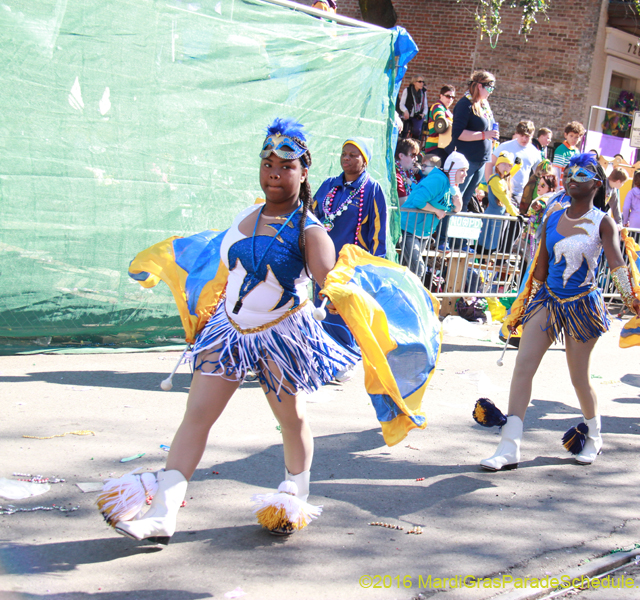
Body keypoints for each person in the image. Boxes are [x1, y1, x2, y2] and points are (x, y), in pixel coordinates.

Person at [102, 118, 359, 543]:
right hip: (229, 334)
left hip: (282, 337)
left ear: (304, 171)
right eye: (268, 163)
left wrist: (340, 289)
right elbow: (220, 269)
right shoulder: (245, 215)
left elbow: (327, 278)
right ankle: (164, 514)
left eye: (286, 165)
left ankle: (295, 494)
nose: (274, 172)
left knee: (291, 421)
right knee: (197, 415)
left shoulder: (311, 231)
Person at [475, 154, 640, 469]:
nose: (571, 178)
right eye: (568, 172)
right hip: (547, 300)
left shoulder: (602, 221)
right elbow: (540, 266)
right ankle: (509, 447)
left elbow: (616, 263)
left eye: (581, 173)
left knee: (579, 378)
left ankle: (594, 436)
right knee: (522, 366)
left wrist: (630, 295)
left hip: (582, 304)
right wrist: (524, 305)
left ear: (597, 183)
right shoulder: (552, 216)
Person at [313, 137, 388, 369]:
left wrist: (374, 267)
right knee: (322, 310)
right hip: (323, 261)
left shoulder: (372, 190)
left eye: (353, 155)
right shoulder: (329, 185)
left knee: (343, 312)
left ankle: (344, 360)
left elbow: (377, 232)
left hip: (351, 265)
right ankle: (323, 359)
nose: (346, 158)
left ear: (364, 161)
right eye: (344, 153)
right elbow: (313, 216)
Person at [398, 151, 465, 278]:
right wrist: (436, 210)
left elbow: (455, 209)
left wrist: (458, 199)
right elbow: (419, 201)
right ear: (453, 169)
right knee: (418, 270)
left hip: (423, 233)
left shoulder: (451, 186)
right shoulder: (438, 179)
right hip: (408, 228)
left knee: (408, 270)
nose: (465, 174)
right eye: (462, 170)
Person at [450, 70, 499, 206]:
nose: (491, 91)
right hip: (467, 159)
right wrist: (485, 135)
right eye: (489, 88)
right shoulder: (465, 104)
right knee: (456, 198)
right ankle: (445, 227)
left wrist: (492, 135)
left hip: (481, 160)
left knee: (466, 200)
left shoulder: (484, 105)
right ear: (479, 86)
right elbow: (458, 133)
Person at [475, 151, 521, 253]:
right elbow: (505, 199)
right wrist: (515, 214)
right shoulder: (496, 180)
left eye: (509, 165)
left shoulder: (502, 179)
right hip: (492, 217)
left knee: (492, 245)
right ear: (497, 165)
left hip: (498, 217)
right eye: (503, 164)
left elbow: (510, 173)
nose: (506, 167)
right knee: (485, 245)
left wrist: (518, 165)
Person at [490, 120, 542, 206]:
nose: (524, 139)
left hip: (521, 194)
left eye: (527, 137)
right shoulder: (506, 146)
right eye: (522, 136)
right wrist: (489, 182)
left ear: (532, 136)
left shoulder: (534, 152)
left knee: (515, 217)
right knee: (502, 217)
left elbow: (539, 173)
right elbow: (490, 163)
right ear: (517, 133)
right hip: (502, 190)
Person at [424, 85, 455, 151]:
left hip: (444, 146)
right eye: (448, 96)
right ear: (441, 95)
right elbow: (441, 119)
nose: (450, 99)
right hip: (435, 146)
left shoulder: (446, 109)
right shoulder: (438, 106)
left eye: (452, 97)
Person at [397, 75, 428, 140]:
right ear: (414, 82)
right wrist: (405, 111)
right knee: (404, 131)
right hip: (408, 115)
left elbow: (425, 106)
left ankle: (415, 143)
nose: (422, 83)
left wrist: (423, 114)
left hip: (418, 116)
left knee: (417, 130)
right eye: (419, 81)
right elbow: (401, 104)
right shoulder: (407, 90)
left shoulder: (423, 93)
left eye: (423, 82)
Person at [395, 138, 421, 206]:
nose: (416, 159)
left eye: (417, 155)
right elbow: (404, 203)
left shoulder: (410, 172)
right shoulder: (396, 174)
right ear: (401, 156)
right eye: (413, 155)